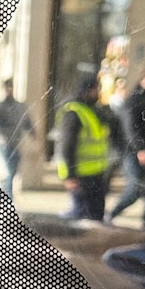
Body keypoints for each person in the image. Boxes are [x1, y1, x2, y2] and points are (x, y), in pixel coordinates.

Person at [108, 60, 145, 228]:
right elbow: (130, 128)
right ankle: (111, 215)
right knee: (135, 188)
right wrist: (141, 149)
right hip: (134, 152)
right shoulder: (135, 99)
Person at [55, 72, 117, 222]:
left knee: (94, 216)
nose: (99, 92)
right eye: (97, 89)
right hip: (81, 175)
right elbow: (67, 145)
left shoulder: (91, 110)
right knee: (83, 218)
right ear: (88, 90)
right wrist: (70, 176)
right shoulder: (74, 112)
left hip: (95, 173)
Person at [0, 79, 31, 197]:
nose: (9, 89)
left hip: (16, 143)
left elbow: (26, 121)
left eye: (11, 87)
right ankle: (7, 197)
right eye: (7, 87)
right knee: (8, 171)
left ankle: (6, 196)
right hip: (4, 143)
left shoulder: (19, 106)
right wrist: (6, 133)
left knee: (13, 171)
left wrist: (33, 133)